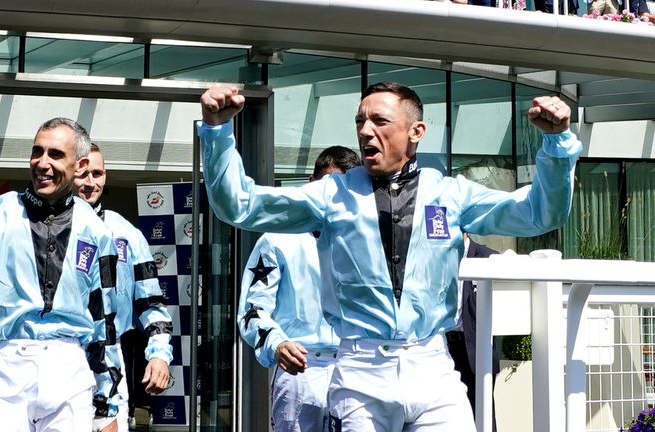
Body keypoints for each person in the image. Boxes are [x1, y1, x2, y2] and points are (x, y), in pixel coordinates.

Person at [197, 82, 581, 431]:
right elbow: (240, 206)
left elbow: (538, 214)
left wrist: (557, 142)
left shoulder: (451, 194)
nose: (365, 131)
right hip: (360, 372)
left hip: (433, 368)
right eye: (360, 121)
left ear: (416, 132)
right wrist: (216, 131)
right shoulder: (331, 195)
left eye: (379, 120)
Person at [0, 118, 122, 432]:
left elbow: (103, 323)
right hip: (5, 367)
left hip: (71, 371)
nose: (42, 163)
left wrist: (107, 406)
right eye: (37, 152)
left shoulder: (97, 230)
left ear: (79, 166)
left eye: (55, 154)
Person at [238, 145, 361, 432]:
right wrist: (277, 343)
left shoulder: (367, 241)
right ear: (311, 184)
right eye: (327, 185)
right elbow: (252, 310)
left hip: (356, 365)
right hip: (300, 368)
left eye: (343, 188)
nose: (333, 195)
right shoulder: (277, 239)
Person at [74, 143, 174, 432]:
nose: (91, 182)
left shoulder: (129, 235)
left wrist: (158, 354)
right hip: (58, 359)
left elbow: (151, 303)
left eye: (98, 173)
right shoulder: (45, 231)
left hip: (110, 367)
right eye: (83, 173)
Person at [446, 233, 500, 430]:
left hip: (476, 350)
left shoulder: (488, 258)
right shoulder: (438, 257)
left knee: (482, 415)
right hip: (441, 347)